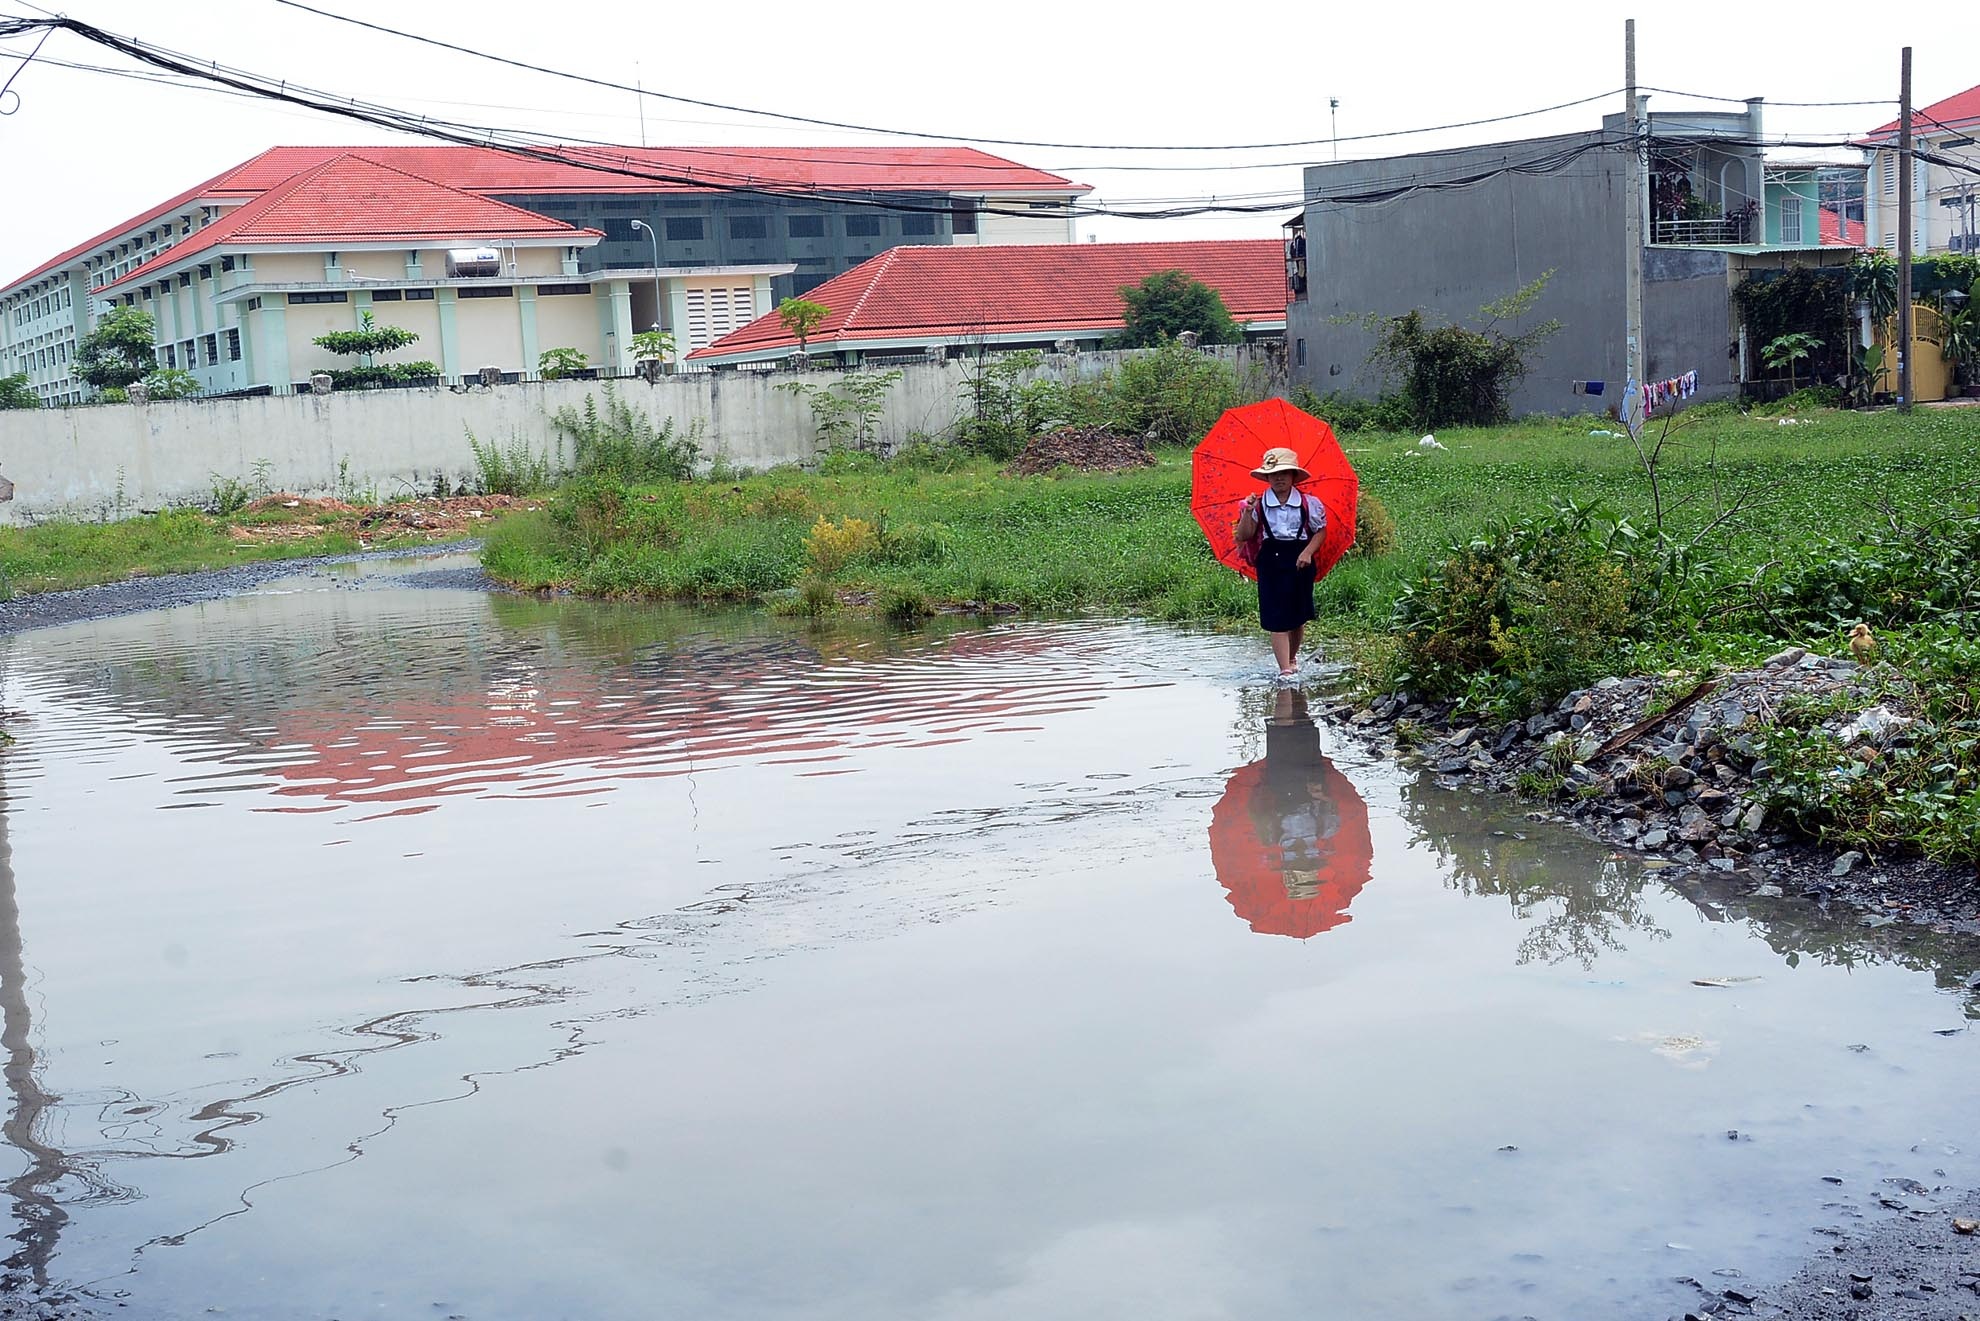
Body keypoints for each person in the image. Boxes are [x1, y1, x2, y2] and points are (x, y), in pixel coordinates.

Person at [1233, 446, 1327, 679]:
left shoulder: (1309, 503)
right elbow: (1244, 535)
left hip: (1300, 559)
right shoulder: (1259, 503)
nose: (1278, 478)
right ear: (1266, 477)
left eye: (1284, 473)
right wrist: (1247, 512)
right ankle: (1284, 669)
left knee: (1297, 616)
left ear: (1294, 475)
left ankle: (1292, 657)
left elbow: (1320, 531)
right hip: (1271, 560)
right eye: (1273, 474)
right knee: (1276, 617)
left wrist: (1307, 553)